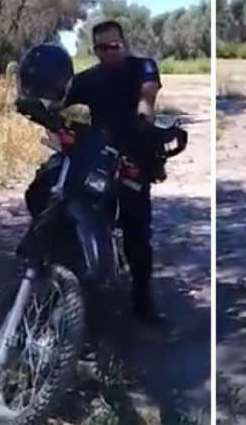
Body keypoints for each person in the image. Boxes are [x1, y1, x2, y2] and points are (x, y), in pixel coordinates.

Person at [62, 20, 165, 325]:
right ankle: (81, 289)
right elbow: (60, 96)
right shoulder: (89, 79)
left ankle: (142, 300)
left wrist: (144, 116)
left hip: (134, 160)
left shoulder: (143, 68)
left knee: (137, 234)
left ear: (124, 43)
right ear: (95, 51)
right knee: (87, 217)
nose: (109, 52)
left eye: (114, 45)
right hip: (99, 159)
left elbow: (148, 96)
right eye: (102, 48)